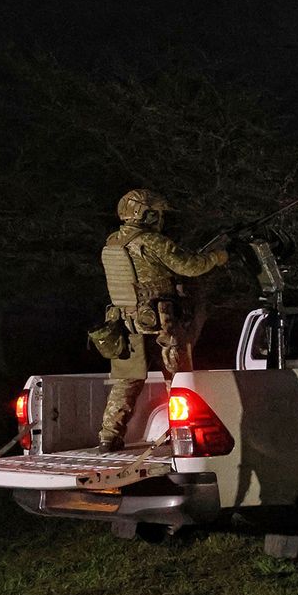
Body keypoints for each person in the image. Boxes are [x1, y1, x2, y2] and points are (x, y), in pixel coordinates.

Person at [97, 189, 228, 452]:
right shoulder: (152, 242)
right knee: (177, 377)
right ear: (145, 213)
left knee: (128, 381)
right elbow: (190, 267)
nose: (160, 219)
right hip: (160, 320)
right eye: (156, 213)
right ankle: (182, 432)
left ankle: (109, 437)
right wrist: (216, 257)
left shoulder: (111, 243)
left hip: (125, 322)